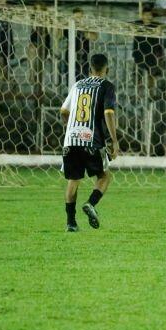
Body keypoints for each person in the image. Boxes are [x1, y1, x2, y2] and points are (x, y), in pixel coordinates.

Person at [59, 53, 119, 232]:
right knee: (104, 176)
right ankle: (91, 204)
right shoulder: (107, 86)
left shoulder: (77, 85)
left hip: (71, 139)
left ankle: (71, 223)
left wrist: (71, 126)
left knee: (73, 180)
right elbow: (109, 113)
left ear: (89, 69)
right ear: (106, 69)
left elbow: (63, 110)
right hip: (91, 139)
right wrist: (114, 141)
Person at [132, 5, 166, 94]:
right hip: (139, 54)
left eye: (150, 15)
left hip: (152, 55)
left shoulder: (155, 25)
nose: (148, 17)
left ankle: (151, 93)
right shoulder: (137, 24)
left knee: (151, 75)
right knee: (138, 76)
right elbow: (127, 25)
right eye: (146, 15)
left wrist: (161, 28)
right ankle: (139, 94)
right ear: (142, 15)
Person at [0, 0, 14, 83]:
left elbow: (11, 16)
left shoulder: (8, 9)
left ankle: (5, 77)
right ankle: (2, 77)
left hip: (7, 35)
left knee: (5, 59)